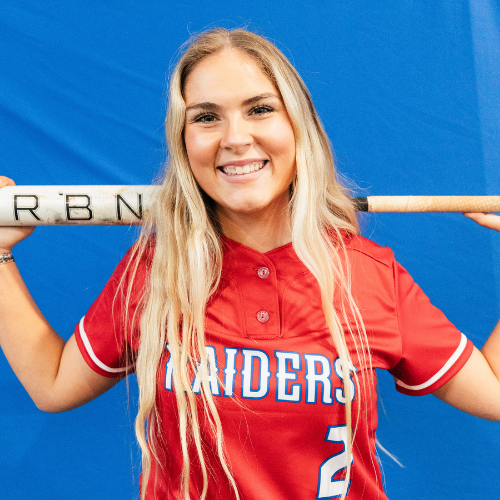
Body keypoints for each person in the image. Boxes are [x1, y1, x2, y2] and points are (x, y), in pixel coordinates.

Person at [0, 28, 499, 500]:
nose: (235, 138)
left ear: (298, 126)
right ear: (183, 142)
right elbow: (52, 384)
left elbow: (494, 393)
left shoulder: (370, 275)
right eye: (206, 117)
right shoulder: (158, 270)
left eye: (260, 109)